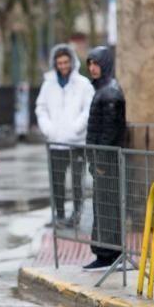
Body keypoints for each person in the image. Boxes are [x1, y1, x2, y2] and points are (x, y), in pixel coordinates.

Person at [35, 43, 94, 227]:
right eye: (59, 62)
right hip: (56, 142)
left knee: (77, 181)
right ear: (55, 63)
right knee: (57, 181)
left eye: (66, 62)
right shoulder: (48, 84)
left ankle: (76, 215)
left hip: (77, 142)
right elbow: (41, 108)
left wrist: (78, 127)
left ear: (72, 62)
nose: (63, 66)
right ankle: (59, 215)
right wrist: (47, 128)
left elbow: (89, 109)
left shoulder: (83, 84)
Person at [83, 46, 126, 272]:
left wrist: (100, 162)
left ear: (106, 64)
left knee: (107, 207)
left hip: (106, 163)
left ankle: (108, 254)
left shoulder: (110, 92)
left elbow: (109, 132)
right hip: (102, 161)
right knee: (102, 206)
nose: (92, 68)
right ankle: (104, 252)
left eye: (96, 63)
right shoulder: (104, 90)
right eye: (90, 63)